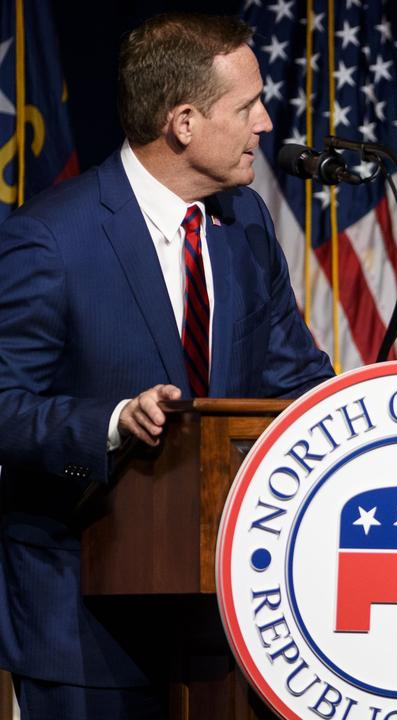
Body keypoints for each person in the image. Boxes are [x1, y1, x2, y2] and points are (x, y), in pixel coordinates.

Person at [0, 13, 333, 719]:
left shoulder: (245, 224)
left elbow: (296, 383)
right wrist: (115, 422)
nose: (266, 124)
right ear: (183, 122)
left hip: (230, 620)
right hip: (85, 623)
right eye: (246, 107)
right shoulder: (50, 240)